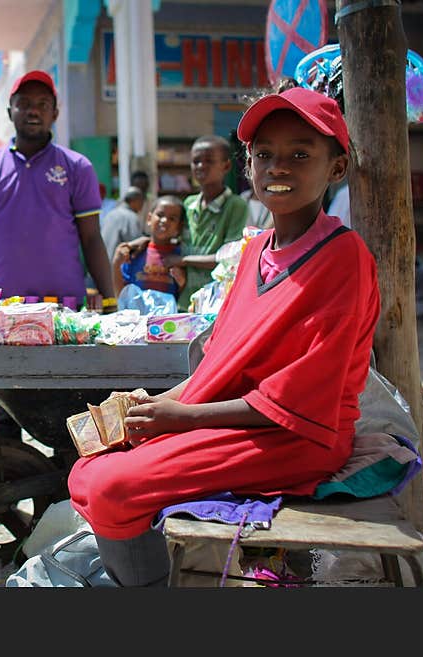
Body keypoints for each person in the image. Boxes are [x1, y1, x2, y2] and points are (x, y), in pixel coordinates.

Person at [68, 86, 380, 586]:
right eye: (265, 155)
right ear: (249, 167)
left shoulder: (345, 258)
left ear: (336, 168)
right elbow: (220, 364)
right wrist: (152, 403)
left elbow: (301, 399)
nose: (279, 167)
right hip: (237, 416)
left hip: (298, 435)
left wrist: (184, 418)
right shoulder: (256, 251)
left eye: (301, 154)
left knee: (110, 488)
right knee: (91, 460)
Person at [0, 70, 116, 440]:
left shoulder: (76, 167)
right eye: (25, 104)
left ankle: (65, 486)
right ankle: (5, 471)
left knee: (67, 403)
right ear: (10, 110)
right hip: (1, 309)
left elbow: (92, 239)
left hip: (64, 311)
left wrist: (110, 299)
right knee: (4, 405)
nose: (33, 111)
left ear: (55, 113)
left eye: (42, 105)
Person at [170, 135, 249, 311]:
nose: (201, 166)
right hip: (185, 300)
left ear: (226, 166)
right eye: (196, 161)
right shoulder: (188, 204)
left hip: (216, 302)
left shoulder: (235, 206)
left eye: (208, 161)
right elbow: (170, 238)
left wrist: (183, 260)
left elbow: (228, 258)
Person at [112, 195, 186, 306]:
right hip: (137, 318)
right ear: (149, 219)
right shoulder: (136, 253)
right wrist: (116, 264)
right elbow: (121, 293)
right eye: (160, 215)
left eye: (172, 218)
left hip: (167, 320)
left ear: (179, 227)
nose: (164, 221)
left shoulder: (180, 255)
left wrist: (182, 283)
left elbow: (182, 295)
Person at [100, 186, 146, 262]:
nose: (142, 205)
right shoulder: (131, 216)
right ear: (135, 200)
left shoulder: (111, 213)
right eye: (141, 201)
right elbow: (136, 244)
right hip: (116, 268)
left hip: (103, 266)